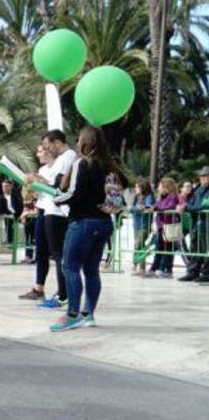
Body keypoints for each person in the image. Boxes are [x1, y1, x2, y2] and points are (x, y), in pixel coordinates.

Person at [49, 127, 126, 330]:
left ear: (85, 142)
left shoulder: (82, 163)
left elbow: (75, 193)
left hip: (83, 222)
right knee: (92, 271)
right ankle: (88, 314)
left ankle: (72, 314)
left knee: (70, 267)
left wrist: (56, 198)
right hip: (104, 222)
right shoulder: (109, 165)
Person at [20, 131, 73, 307]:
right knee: (45, 250)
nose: (46, 149)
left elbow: (58, 186)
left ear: (56, 143)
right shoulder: (60, 159)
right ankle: (47, 290)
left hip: (57, 210)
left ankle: (63, 294)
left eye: (47, 145)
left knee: (58, 254)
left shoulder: (68, 157)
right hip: (47, 208)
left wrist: (41, 181)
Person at [178, 167, 209, 282]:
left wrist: (189, 208)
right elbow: (189, 203)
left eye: (205, 176)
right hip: (196, 224)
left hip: (206, 225)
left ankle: (206, 273)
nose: (202, 178)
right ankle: (192, 272)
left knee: (206, 250)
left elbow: (205, 206)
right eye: (201, 176)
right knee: (194, 248)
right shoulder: (198, 190)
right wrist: (187, 207)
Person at [148, 177, 180, 278]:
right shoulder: (161, 197)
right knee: (160, 248)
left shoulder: (173, 197)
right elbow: (157, 206)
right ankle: (155, 268)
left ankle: (165, 269)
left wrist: (157, 208)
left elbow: (170, 207)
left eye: (160, 186)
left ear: (166, 187)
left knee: (167, 248)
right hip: (161, 226)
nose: (158, 188)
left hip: (169, 226)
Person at [130, 178, 155, 277]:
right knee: (140, 245)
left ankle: (136, 264)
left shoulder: (148, 196)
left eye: (137, 186)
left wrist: (143, 208)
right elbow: (133, 208)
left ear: (142, 187)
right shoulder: (136, 197)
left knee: (138, 244)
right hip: (136, 224)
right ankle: (141, 267)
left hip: (144, 224)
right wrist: (136, 208)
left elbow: (148, 207)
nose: (135, 188)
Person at [0, 178, 23, 247]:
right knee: (8, 227)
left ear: (11, 186)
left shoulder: (16, 195)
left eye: (6, 186)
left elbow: (20, 206)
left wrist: (16, 214)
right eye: (3, 186)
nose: (4, 188)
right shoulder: (2, 197)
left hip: (17, 215)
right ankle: (9, 241)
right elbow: (0, 209)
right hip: (7, 216)